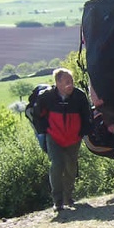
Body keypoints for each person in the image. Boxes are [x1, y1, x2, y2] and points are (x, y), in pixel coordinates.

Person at [35, 67, 91, 211]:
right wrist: (45, 130)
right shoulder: (46, 97)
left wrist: (84, 132)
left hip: (74, 138)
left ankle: (68, 197)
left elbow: (87, 115)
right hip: (54, 137)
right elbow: (38, 115)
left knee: (71, 168)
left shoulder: (79, 96)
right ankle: (58, 201)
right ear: (58, 83)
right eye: (66, 82)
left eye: (71, 81)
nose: (70, 84)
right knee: (57, 165)